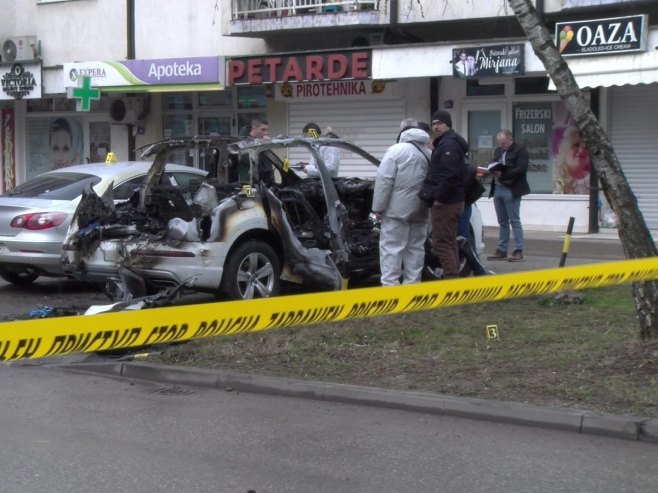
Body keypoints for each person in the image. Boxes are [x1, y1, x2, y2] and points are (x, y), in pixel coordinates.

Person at [372, 125, 431, 285]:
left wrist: (378, 207)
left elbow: (384, 180)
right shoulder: (429, 153)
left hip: (396, 211)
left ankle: (390, 288)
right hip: (420, 209)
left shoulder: (395, 151)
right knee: (416, 249)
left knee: (391, 249)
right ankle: (412, 287)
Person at [426, 110, 467, 279]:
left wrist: (439, 199)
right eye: (433, 124)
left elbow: (449, 174)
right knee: (449, 242)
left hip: (447, 202)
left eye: (439, 123)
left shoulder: (448, 144)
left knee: (441, 243)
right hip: (453, 200)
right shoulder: (446, 142)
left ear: (448, 124)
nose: (436, 127)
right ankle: (453, 280)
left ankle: (450, 282)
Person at [487, 129, 530, 262]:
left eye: (504, 143)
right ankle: (502, 249)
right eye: (500, 143)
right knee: (502, 221)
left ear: (511, 139)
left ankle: (518, 250)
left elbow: (521, 169)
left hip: (512, 188)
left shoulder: (520, 150)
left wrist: (504, 174)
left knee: (514, 220)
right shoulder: (498, 151)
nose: (502, 146)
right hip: (498, 188)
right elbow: (494, 164)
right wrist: (491, 170)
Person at [553, 126, 591, 195]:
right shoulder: (554, 176)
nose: (581, 150)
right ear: (565, 149)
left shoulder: (596, 180)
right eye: (576, 145)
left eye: (586, 147)